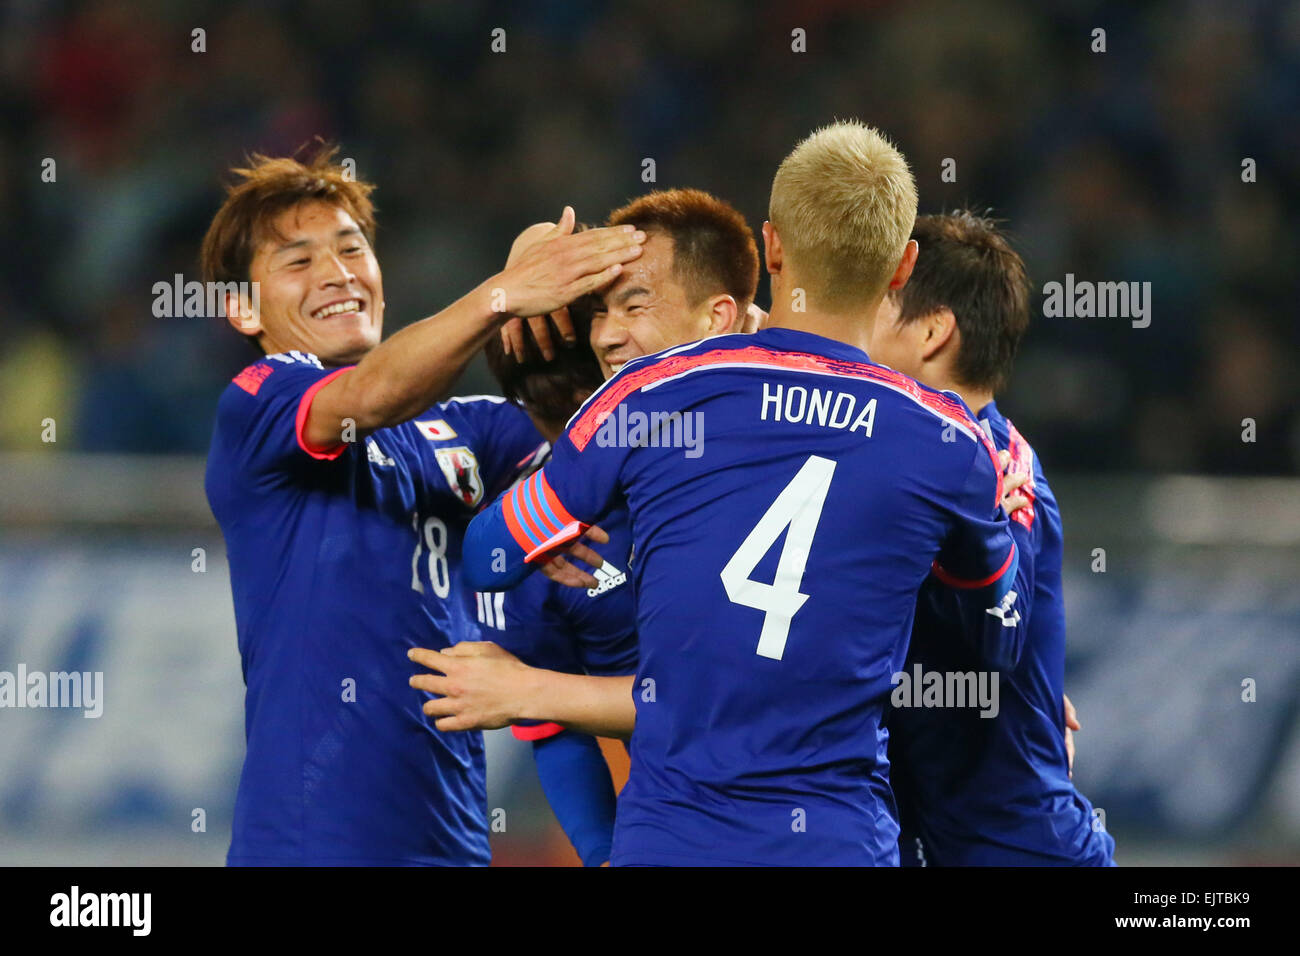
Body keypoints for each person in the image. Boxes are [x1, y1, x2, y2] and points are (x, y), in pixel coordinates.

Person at [423, 121, 1031, 865]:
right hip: (837, 843)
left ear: (773, 247)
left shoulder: (650, 395)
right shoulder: (949, 443)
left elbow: (488, 556)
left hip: (672, 841)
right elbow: (994, 643)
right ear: (903, 267)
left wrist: (555, 533)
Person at [201, 144, 645, 865]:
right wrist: (501, 292)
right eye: (299, 260)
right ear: (243, 309)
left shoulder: (457, 430)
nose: (338, 274)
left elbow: (594, 422)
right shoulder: (257, 405)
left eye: (352, 250)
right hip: (313, 848)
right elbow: (368, 395)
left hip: (455, 845)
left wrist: (551, 268)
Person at [471, 189, 761, 865]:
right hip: (681, 835)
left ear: (723, 317)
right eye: (598, 313)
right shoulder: (564, 515)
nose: (607, 335)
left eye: (632, 306)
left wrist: (523, 690)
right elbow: (486, 557)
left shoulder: (801, 424)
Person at [868, 211, 1116, 866]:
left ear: (931, 331)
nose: (849, 328)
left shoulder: (992, 469)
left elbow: (996, 641)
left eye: (872, 305)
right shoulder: (928, 453)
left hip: (1018, 848)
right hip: (939, 838)